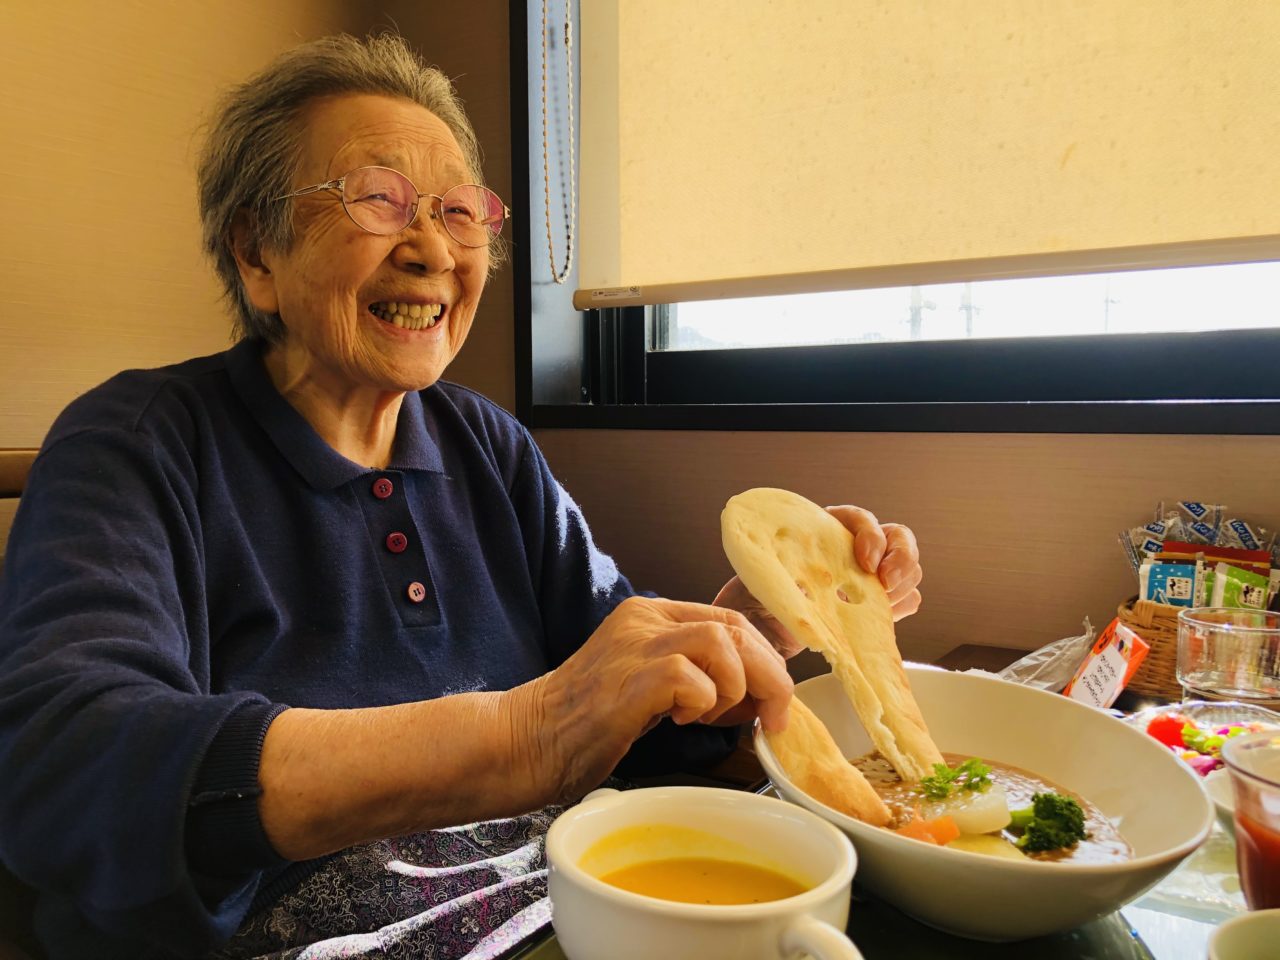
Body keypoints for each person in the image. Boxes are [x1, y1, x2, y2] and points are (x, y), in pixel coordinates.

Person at [0, 33, 923, 960]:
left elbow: (618, 689)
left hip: (570, 899)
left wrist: (752, 630)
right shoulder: (136, 442)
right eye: (378, 199)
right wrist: (527, 733)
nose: (434, 249)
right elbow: (60, 764)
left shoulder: (486, 442)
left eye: (458, 210)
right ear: (257, 253)